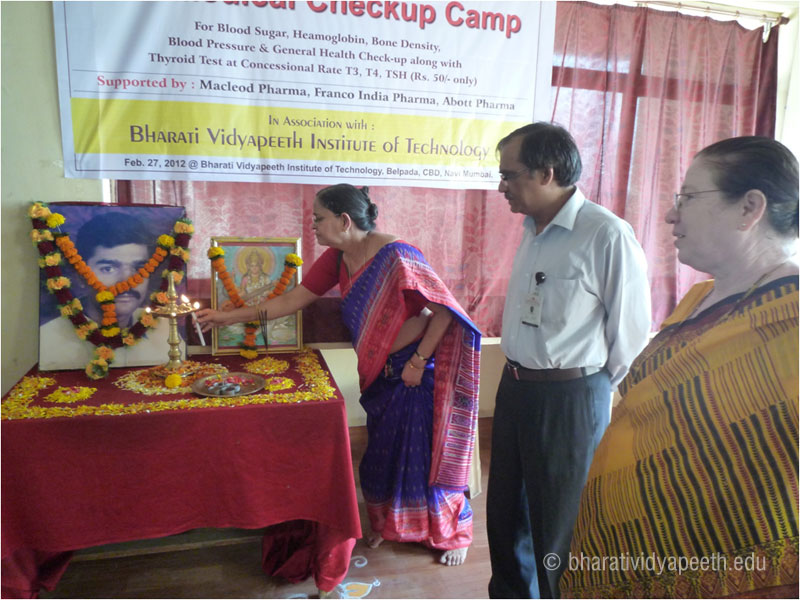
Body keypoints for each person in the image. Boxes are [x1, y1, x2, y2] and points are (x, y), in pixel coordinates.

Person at [560, 136, 799, 598]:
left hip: (720, 564)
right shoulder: (699, 298)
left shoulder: (789, 321)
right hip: (629, 539)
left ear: (750, 208)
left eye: (688, 197)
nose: (671, 215)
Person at [197, 184, 482, 569]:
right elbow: (290, 301)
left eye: (319, 218)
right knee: (381, 456)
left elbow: (445, 311)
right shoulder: (337, 258)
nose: (313, 225)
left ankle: (451, 534)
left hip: (413, 372)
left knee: (423, 457)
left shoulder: (398, 256)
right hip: (379, 375)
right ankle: (391, 526)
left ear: (344, 220)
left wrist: (417, 362)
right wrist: (226, 317)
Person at [487, 122, 652, 598]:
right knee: (505, 515)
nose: (501, 187)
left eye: (509, 175)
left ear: (546, 173)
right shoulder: (531, 230)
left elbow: (631, 334)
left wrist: (586, 387)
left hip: (571, 397)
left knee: (560, 525)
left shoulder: (606, 234)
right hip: (516, 388)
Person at [38, 212, 174, 370]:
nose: (126, 282)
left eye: (139, 268)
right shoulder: (50, 339)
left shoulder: (165, 329)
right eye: (108, 268)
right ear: (80, 277)